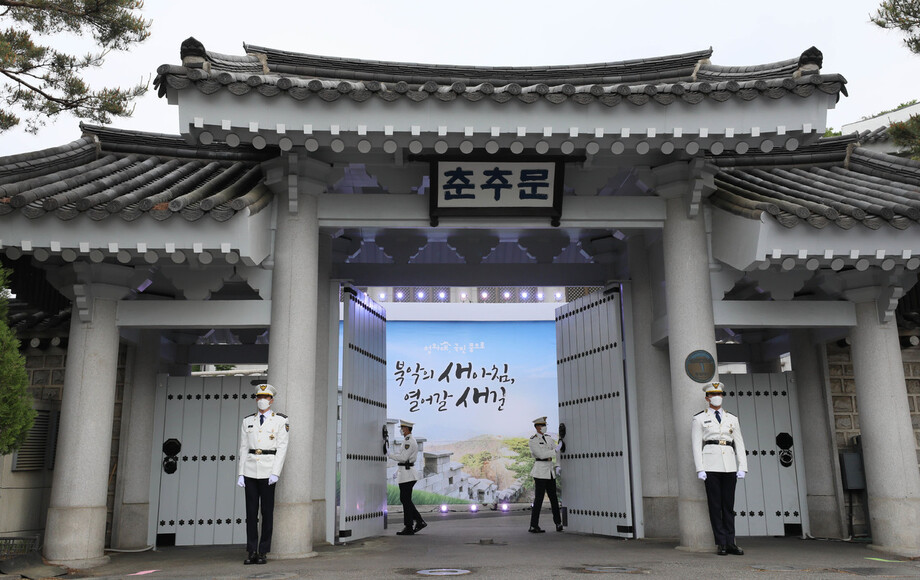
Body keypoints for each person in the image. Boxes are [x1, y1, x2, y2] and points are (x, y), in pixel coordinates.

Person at [691, 382, 747, 556]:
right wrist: (700, 468)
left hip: (729, 465)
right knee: (715, 506)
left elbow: (739, 442)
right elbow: (695, 445)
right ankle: (721, 543)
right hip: (711, 466)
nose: (717, 397)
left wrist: (742, 466)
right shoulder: (699, 418)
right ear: (707, 397)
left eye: (720, 394)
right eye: (713, 394)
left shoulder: (732, 418)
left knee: (728, 506)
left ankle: (731, 542)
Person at [237, 383, 289, 565]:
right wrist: (241, 473)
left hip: (268, 471)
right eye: (259, 398)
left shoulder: (280, 421)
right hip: (250, 470)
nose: (262, 401)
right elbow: (244, 448)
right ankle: (251, 550)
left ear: (272, 400)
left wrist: (276, 472)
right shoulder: (247, 421)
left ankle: (263, 550)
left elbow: (282, 448)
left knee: (267, 512)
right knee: (251, 512)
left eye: (266, 398)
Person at [388, 419, 426, 535]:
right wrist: (397, 470)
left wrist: (390, 455)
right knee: (406, 500)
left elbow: (403, 458)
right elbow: (404, 459)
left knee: (405, 499)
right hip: (405, 472)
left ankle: (410, 526)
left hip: (408, 475)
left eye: (402, 428)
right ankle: (418, 522)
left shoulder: (409, 441)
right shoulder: (407, 440)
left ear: (407, 429)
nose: (401, 430)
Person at [528, 416, 563, 533]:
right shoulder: (533, 440)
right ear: (537, 427)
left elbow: (557, 451)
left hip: (549, 471)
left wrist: (558, 465)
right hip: (540, 471)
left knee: (554, 498)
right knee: (539, 499)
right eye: (542, 425)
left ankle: (558, 523)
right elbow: (541, 454)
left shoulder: (548, 438)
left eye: (545, 425)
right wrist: (556, 450)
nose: (544, 427)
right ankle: (533, 525)